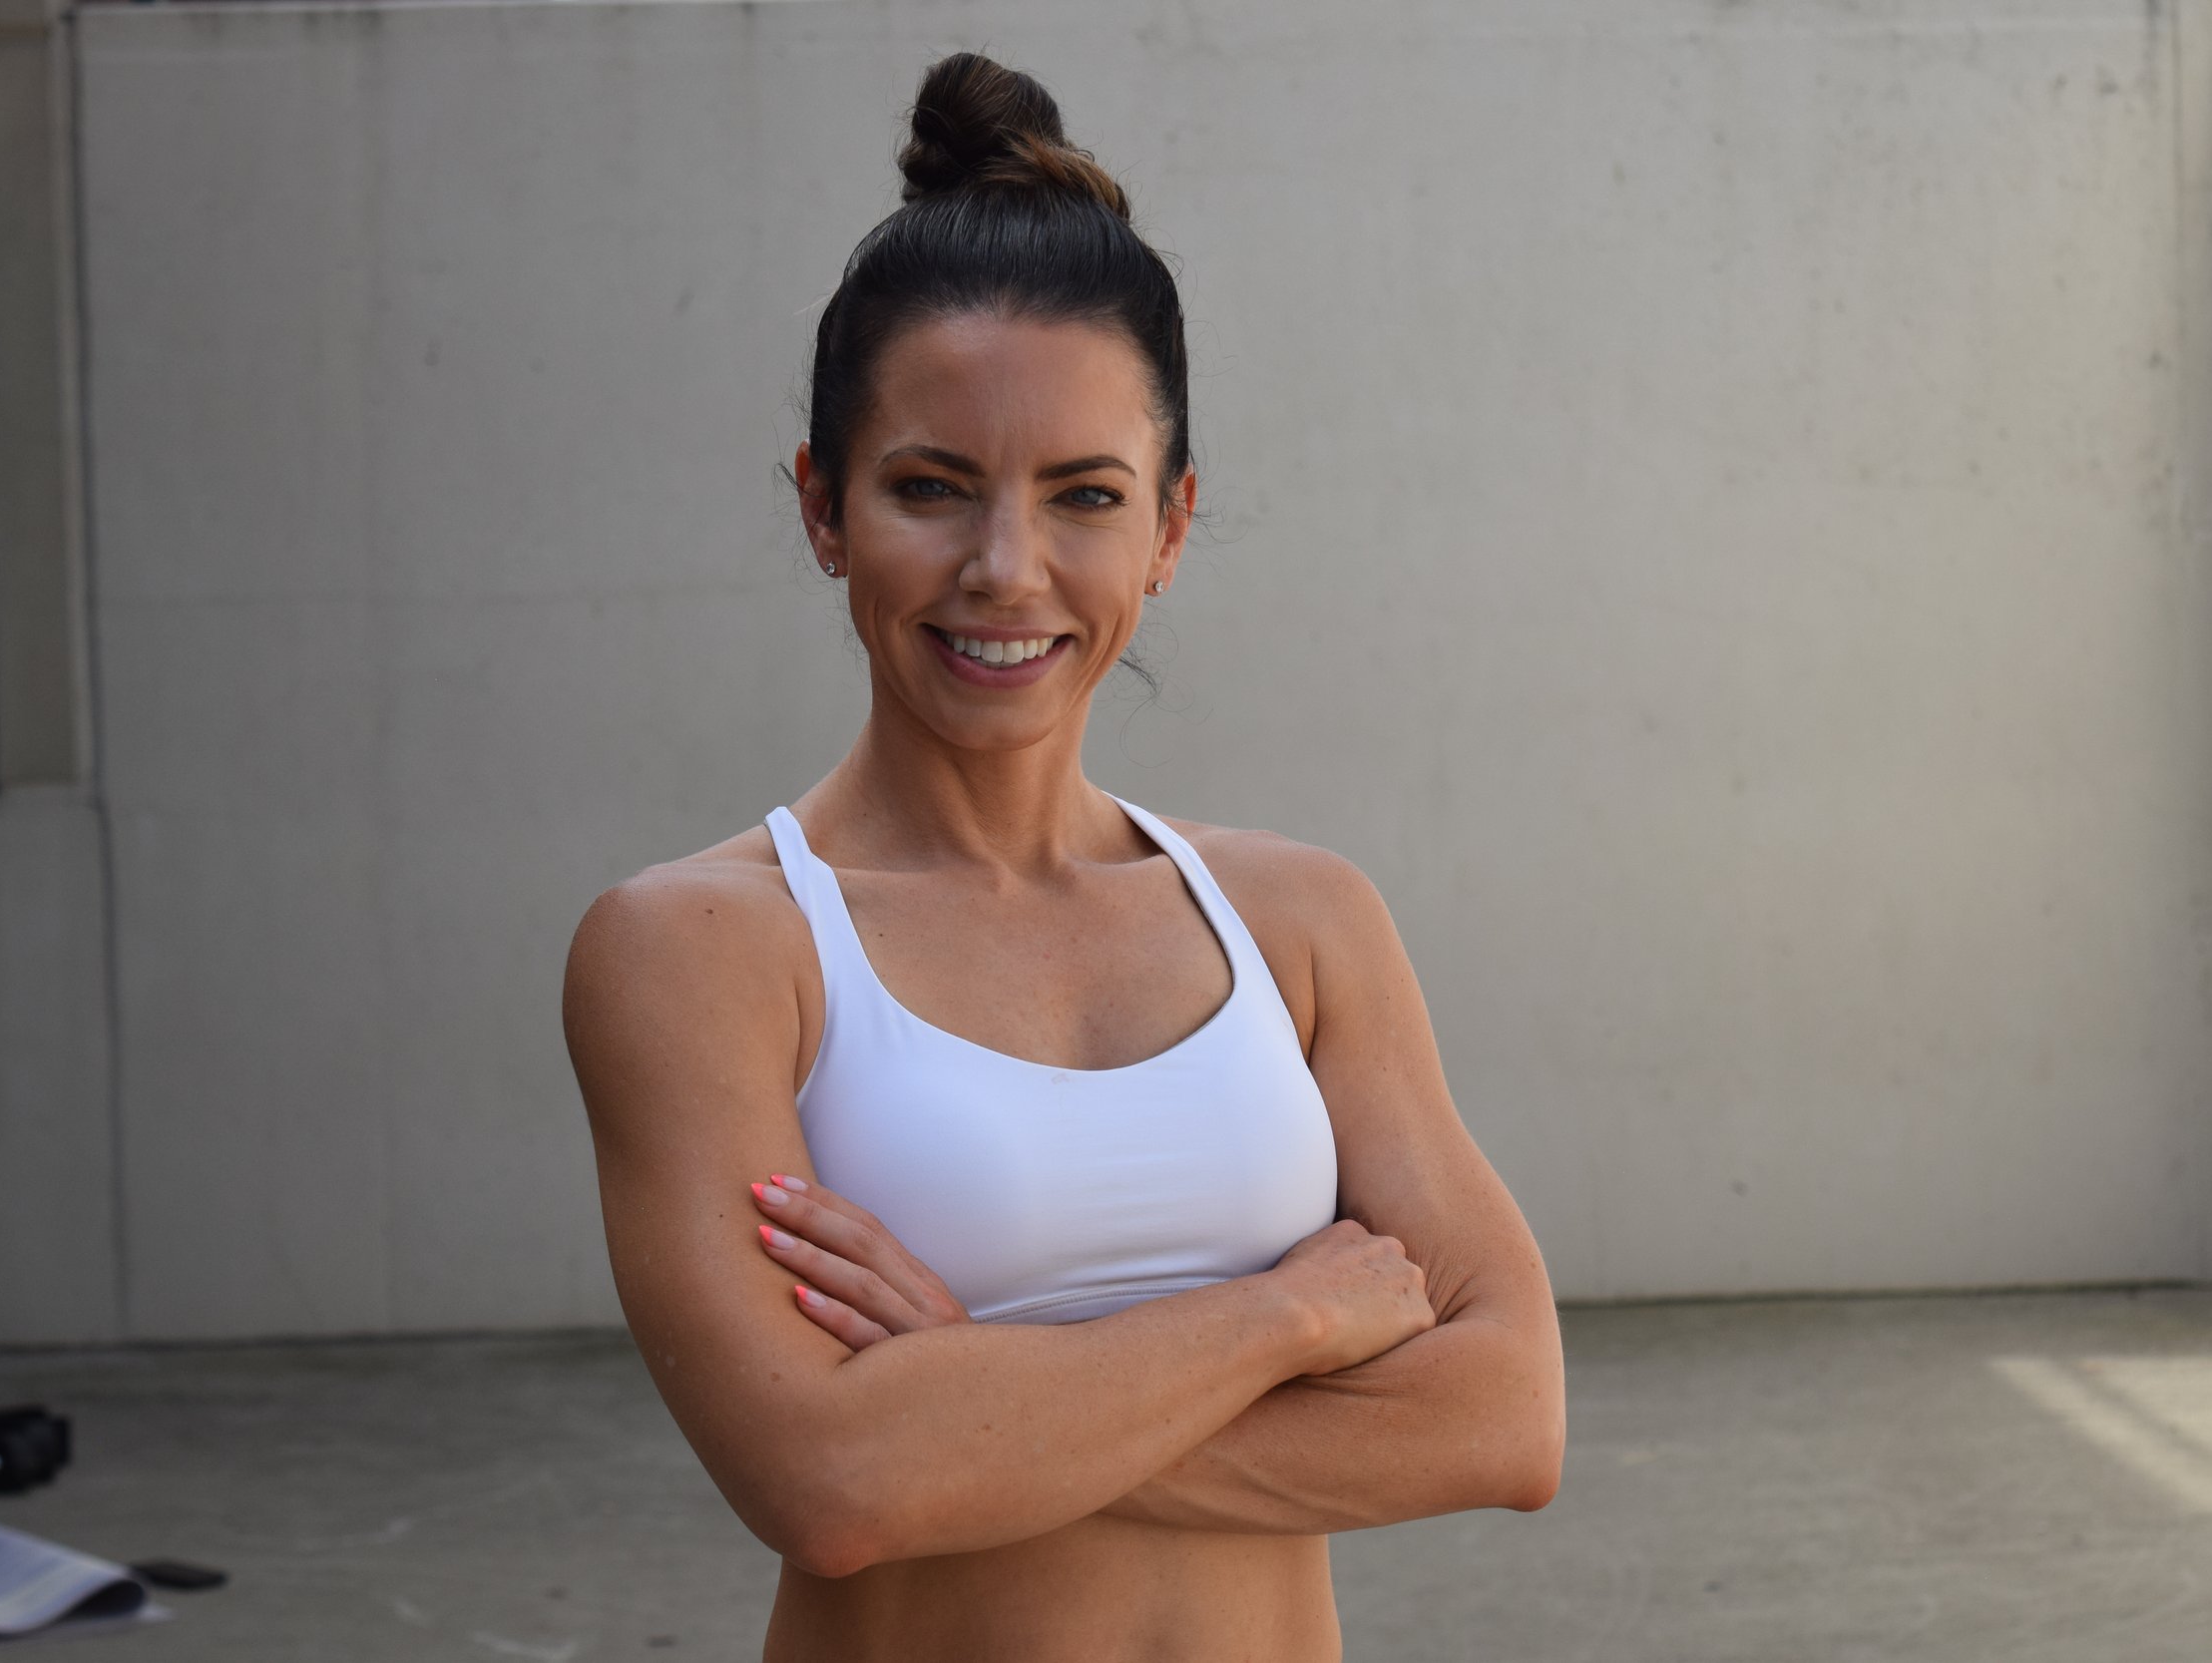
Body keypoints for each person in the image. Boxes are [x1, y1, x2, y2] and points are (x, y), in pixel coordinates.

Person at [563, 50, 1564, 1662]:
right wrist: (1282, 1319)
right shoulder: (701, 949)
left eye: (1083, 496)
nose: (1004, 569)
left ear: (1168, 529)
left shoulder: (1299, 924)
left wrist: (974, 1398)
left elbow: (1506, 1417)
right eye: (930, 488)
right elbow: (832, 1487)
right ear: (824, 509)